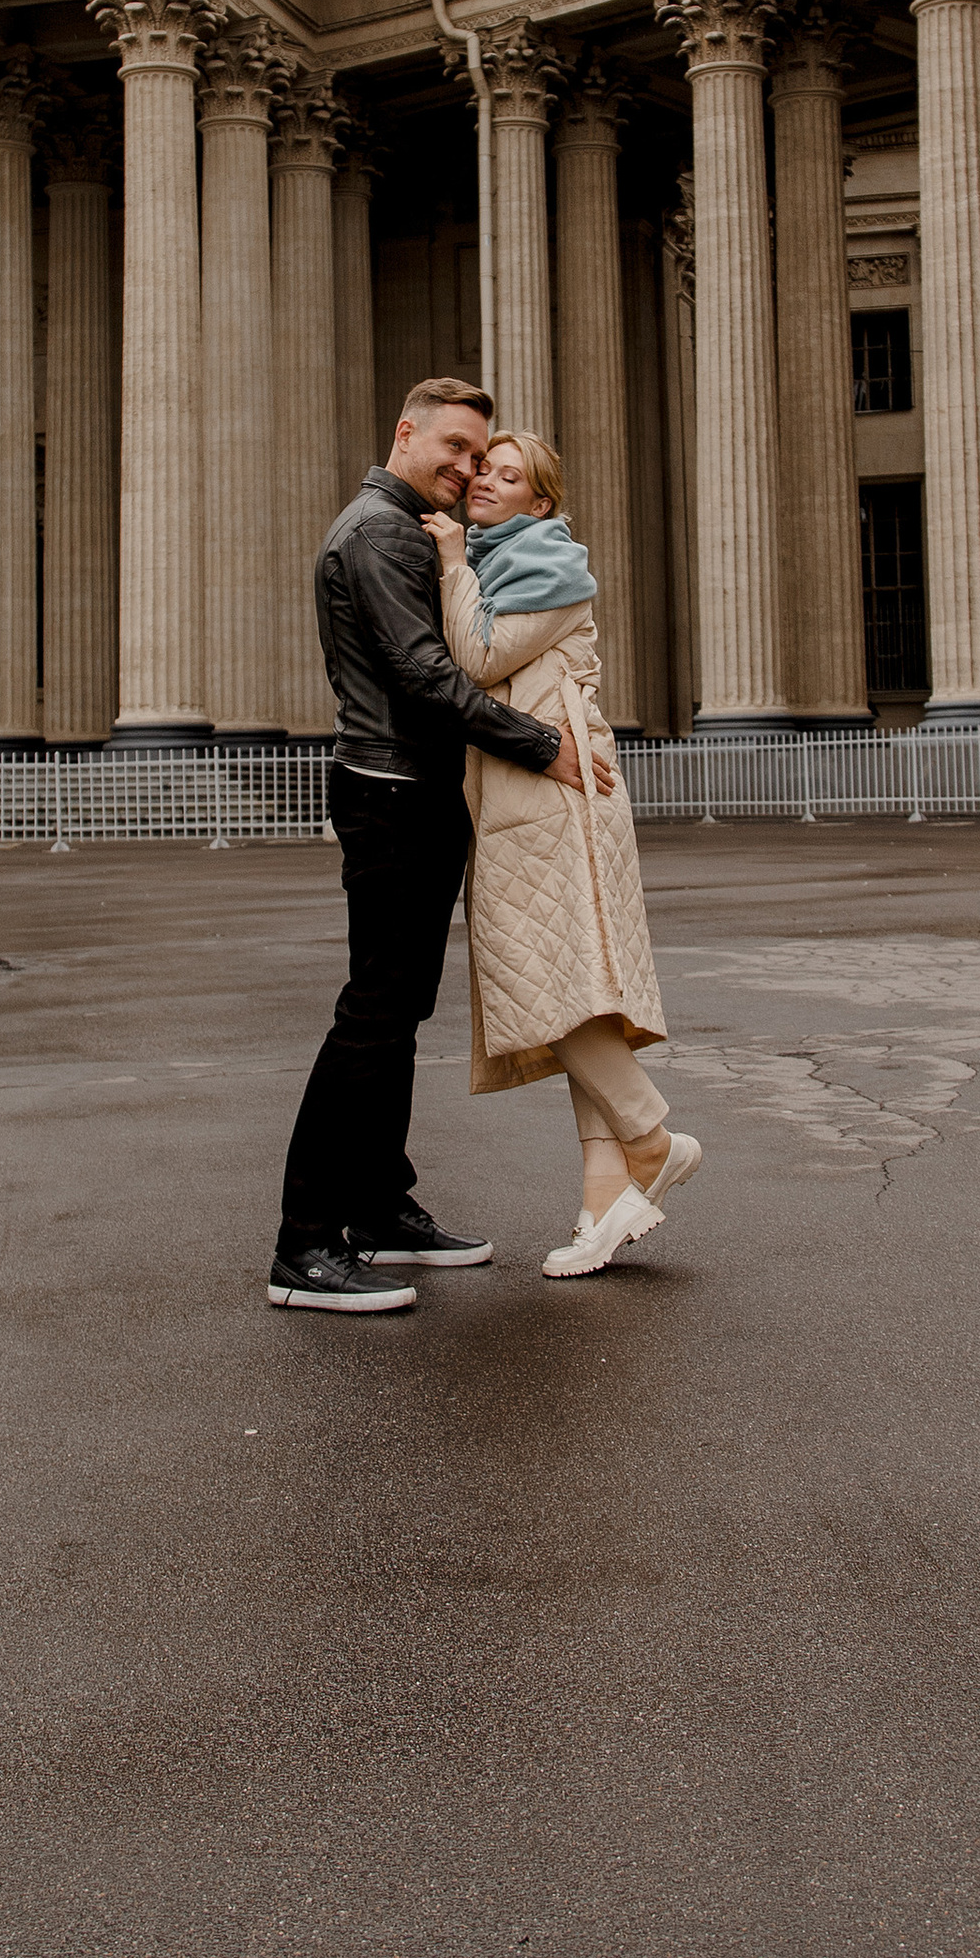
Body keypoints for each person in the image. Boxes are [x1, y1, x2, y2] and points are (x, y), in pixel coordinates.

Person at [271, 376, 616, 1316]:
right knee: (374, 1016)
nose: (466, 468)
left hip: (407, 789)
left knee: (396, 1012)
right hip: (391, 791)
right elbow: (426, 676)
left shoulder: (400, 527)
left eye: (479, 455)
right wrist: (544, 745)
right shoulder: (382, 531)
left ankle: (378, 1208)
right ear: (405, 434)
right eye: (454, 448)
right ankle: (304, 1246)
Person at [428, 430, 702, 1277]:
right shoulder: (510, 561)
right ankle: (601, 1204)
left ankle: (653, 1139)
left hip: (555, 801)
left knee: (551, 982)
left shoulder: (544, 566)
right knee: (574, 981)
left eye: (509, 477)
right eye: (484, 471)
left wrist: (449, 565)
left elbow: (476, 659)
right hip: (534, 797)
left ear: (539, 502)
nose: (486, 484)